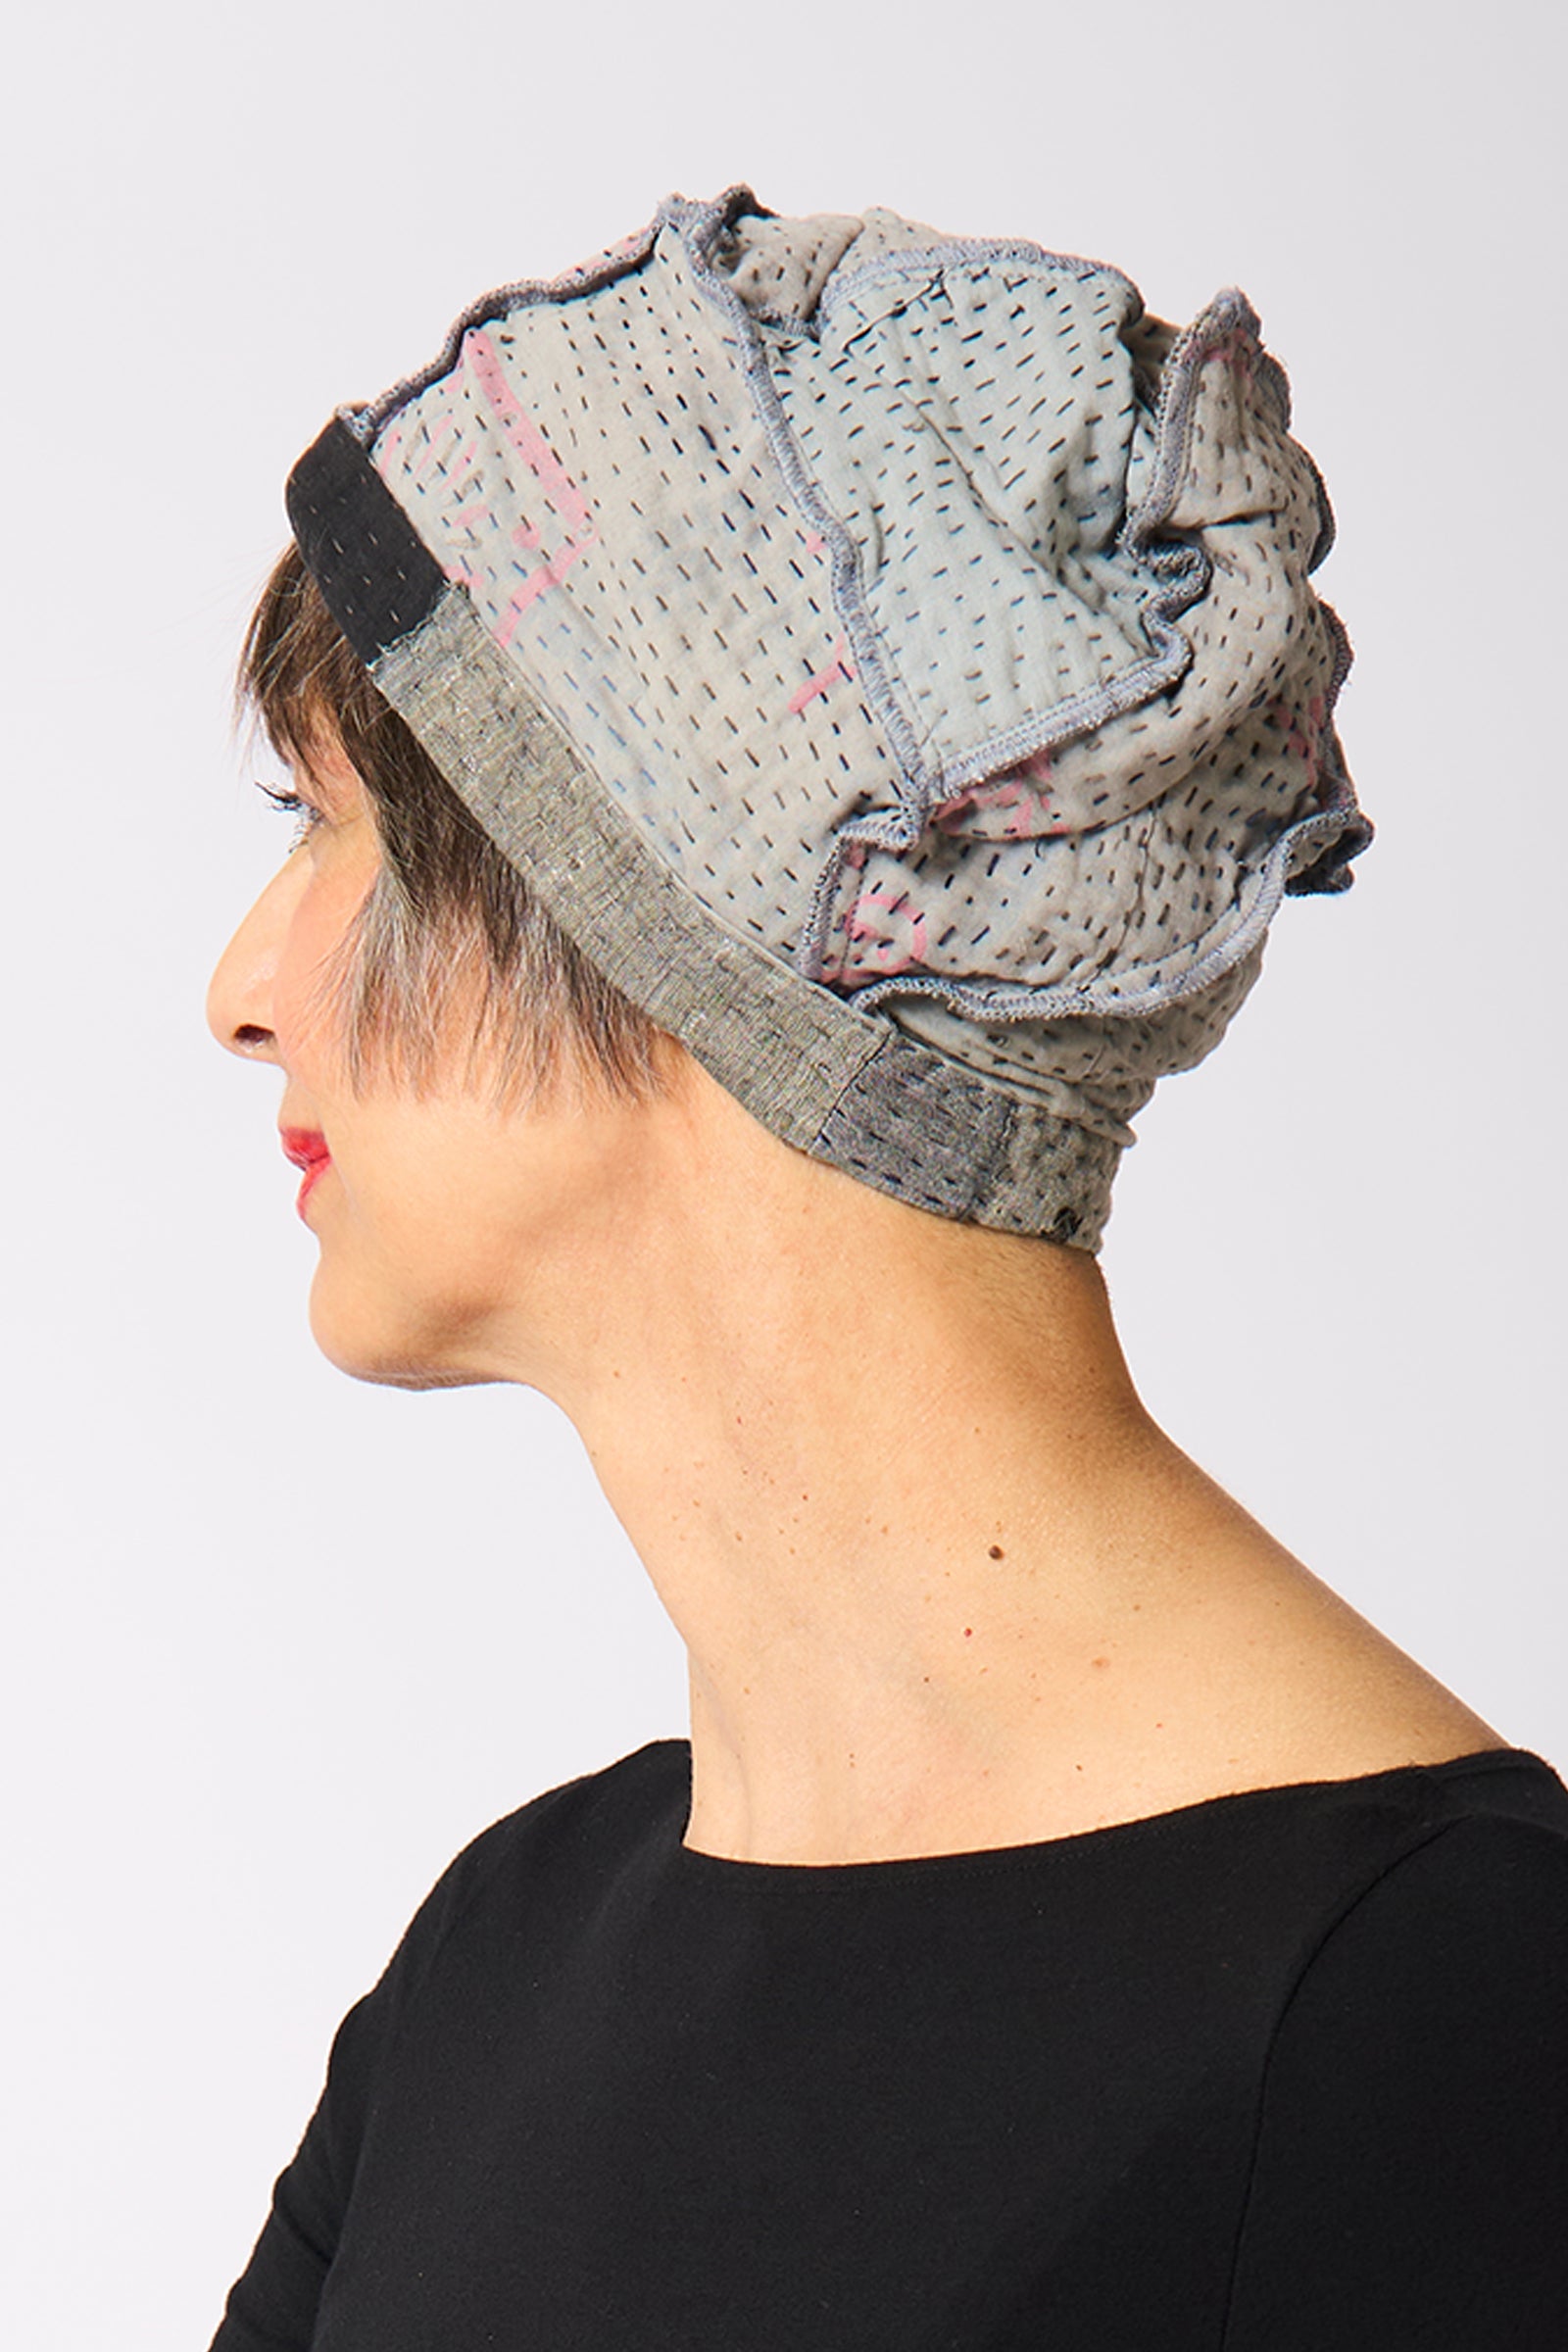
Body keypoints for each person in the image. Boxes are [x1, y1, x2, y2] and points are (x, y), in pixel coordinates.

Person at [205, 187, 1568, 2349]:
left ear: (663, 901)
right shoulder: (499, 1963)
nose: (241, 995)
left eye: (333, 829)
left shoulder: (1436, 2023)